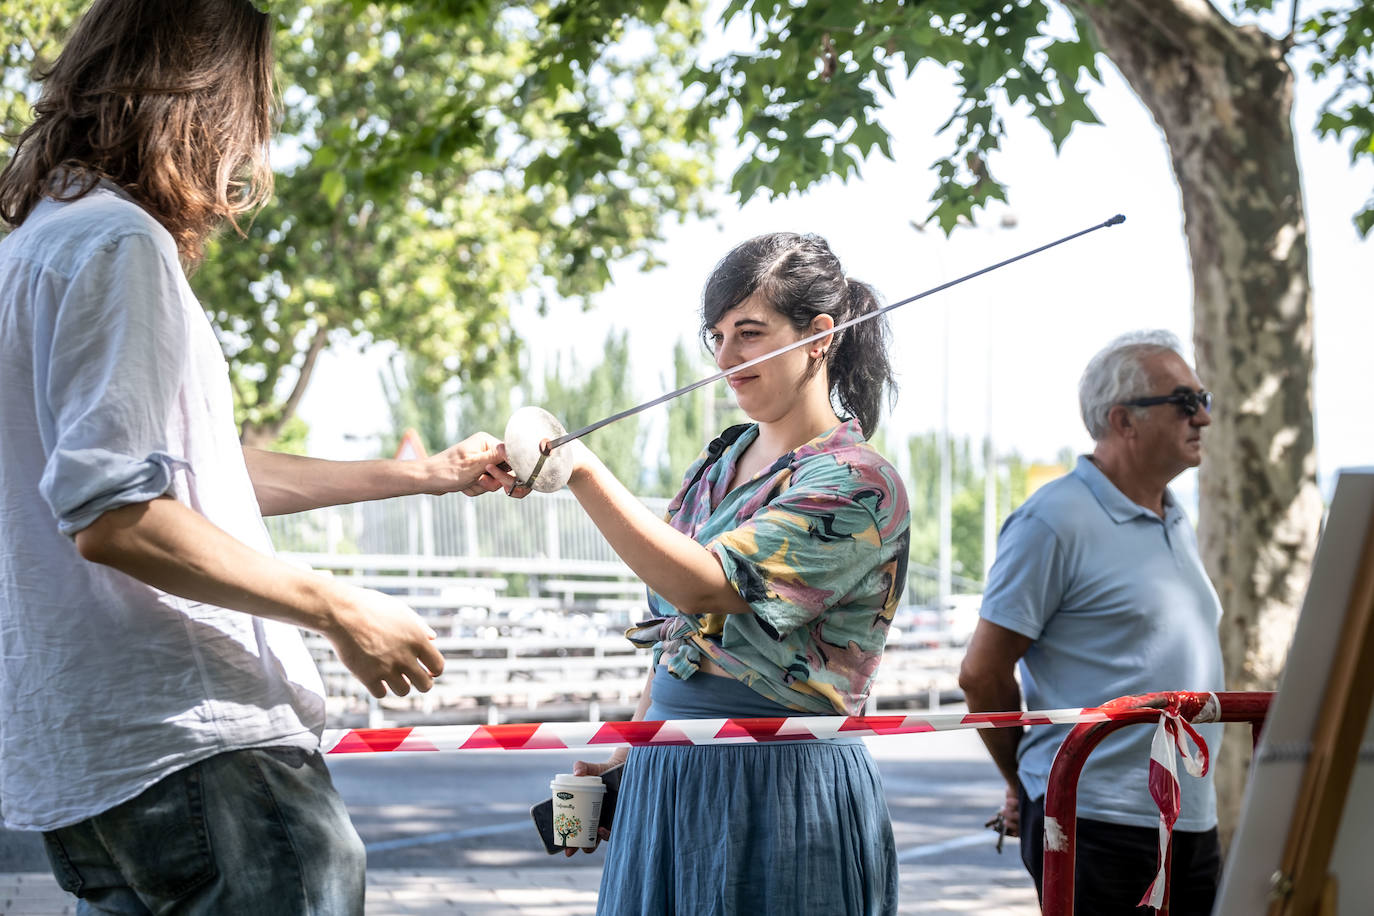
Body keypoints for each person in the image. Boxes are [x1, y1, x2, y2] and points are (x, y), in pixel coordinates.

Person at [0, 2, 504, 913]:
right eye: (252, 107)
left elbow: (198, 476)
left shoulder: (33, 247)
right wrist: (335, 604)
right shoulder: (122, 243)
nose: (251, 145)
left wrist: (424, 474)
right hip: (199, 741)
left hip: (90, 758)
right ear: (202, 98)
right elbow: (115, 515)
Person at [489, 232, 910, 915]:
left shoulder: (857, 482)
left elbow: (707, 584)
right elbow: (677, 635)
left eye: (749, 332)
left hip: (780, 789)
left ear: (819, 336)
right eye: (714, 335)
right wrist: (625, 752)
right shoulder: (716, 465)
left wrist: (585, 472)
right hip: (667, 772)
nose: (725, 358)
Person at [958, 329, 1226, 915]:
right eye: (1186, 401)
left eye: (1205, 400)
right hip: (1097, 823)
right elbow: (982, 675)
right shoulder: (1053, 520)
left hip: (1189, 819)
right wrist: (1028, 781)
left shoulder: (1177, 519)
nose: (1203, 417)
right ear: (1123, 420)